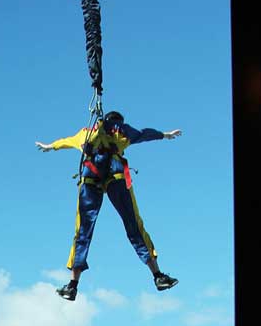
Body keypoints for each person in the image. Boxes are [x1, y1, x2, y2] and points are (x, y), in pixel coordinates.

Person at [35, 111, 182, 301]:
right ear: (119, 120)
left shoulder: (86, 132)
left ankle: (72, 285)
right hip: (116, 179)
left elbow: (65, 141)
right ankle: (158, 276)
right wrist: (165, 135)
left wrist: (50, 146)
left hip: (90, 180)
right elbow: (145, 133)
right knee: (134, 225)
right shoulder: (121, 130)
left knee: (83, 231)